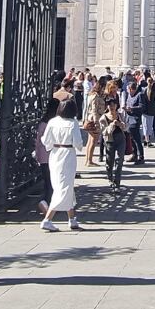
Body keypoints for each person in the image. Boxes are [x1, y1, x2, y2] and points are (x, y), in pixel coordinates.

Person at [41, 99, 86, 231]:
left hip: (55, 154)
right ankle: (47, 219)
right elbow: (78, 142)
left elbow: (46, 140)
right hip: (68, 155)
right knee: (64, 187)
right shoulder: (73, 123)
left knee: (64, 185)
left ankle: (72, 218)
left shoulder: (52, 121)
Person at [35, 98, 59, 215]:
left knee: (47, 181)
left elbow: (38, 141)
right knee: (53, 182)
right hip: (53, 155)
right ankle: (46, 203)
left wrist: (37, 154)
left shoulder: (43, 122)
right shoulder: (54, 123)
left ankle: (46, 203)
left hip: (43, 156)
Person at [99, 95, 128, 187]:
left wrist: (120, 124)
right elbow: (104, 132)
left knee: (119, 161)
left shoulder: (120, 115)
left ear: (116, 106)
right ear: (107, 106)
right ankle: (110, 178)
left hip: (121, 139)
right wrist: (112, 125)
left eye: (113, 105)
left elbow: (126, 127)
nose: (112, 107)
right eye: (110, 105)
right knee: (110, 161)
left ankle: (117, 181)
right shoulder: (103, 118)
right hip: (110, 141)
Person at [82, 77, 108, 167]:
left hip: (91, 118)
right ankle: (89, 160)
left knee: (90, 140)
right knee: (93, 141)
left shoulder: (92, 95)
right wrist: (97, 123)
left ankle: (88, 159)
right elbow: (94, 110)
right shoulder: (95, 97)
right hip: (94, 119)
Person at [123, 77, 146, 164]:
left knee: (136, 139)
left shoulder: (139, 95)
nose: (127, 91)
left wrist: (131, 109)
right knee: (130, 138)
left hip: (135, 119)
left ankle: (141, 157)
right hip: (128, 119)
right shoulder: (129, 95)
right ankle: (134, 154)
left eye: (128, 89)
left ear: (131, 89)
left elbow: (142, 107)